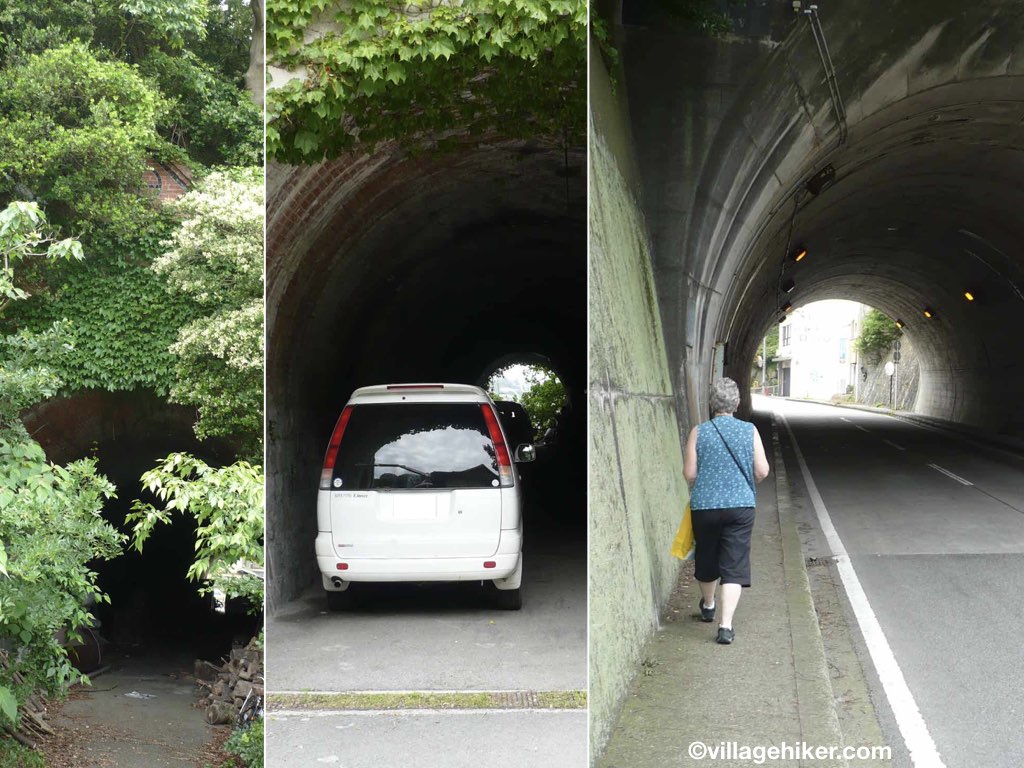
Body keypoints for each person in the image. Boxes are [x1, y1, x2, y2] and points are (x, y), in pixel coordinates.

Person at [683, 378, 770, 644]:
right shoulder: (749, 431)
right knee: (734, 565)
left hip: (705, 507)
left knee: (707, 557)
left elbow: (689, 473)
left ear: (711, 404)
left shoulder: (699, 432)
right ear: (737, 403)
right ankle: (725, 626)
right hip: (740, 507)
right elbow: (762, 471)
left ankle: (708, 605)